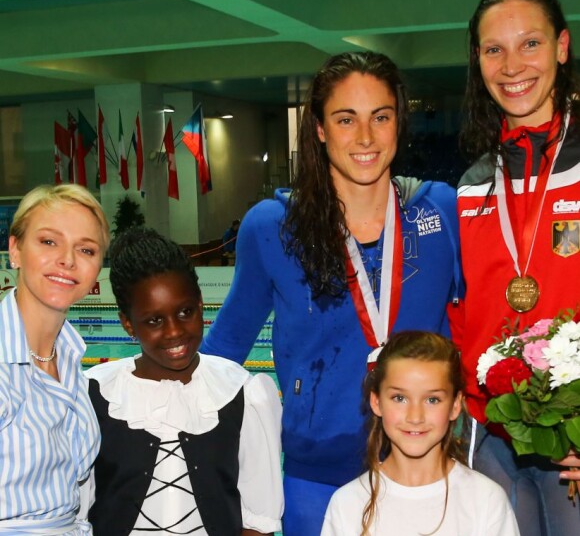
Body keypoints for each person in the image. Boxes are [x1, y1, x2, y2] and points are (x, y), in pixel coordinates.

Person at [202, 51, 463, 534]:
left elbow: (478, 331)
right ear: (319, 129)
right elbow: (224, 351)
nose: (365, 138)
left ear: (398, 123)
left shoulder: (440, 210)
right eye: (346, 119)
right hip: (316, 479)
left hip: (428, 471)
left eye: (380, 117)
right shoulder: (275, 226)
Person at [457, 0, 580, 535]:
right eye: (493, 49)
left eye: (529, 43)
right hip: (491, 435)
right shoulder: (473, 183)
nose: (512, 66)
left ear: (561, 45)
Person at [84, 227, 283, 536]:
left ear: (201, 304)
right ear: (127, 324)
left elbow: (260, 520)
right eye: (154, 320)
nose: (175, 331)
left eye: (185, 312)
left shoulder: (240, 393)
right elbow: (77, 511)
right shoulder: (95, 394)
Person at [321, 331, 520, 536]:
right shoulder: (348, 504)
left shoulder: (487, 501)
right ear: (376, 402)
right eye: (399, 398)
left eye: (432, 400)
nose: (415, 417)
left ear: (454, 406)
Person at [0, 184, 109, 534]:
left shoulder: (71, 361)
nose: (67, 259)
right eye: (49, 241)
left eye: (86, 249)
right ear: (14, 250)